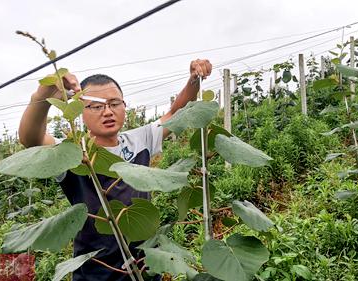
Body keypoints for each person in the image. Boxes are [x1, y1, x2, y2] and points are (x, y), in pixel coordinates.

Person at [18, 59, 212, 281]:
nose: (107, 112)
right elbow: (30, 139)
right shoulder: (71, 152)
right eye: (97, 106)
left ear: (124, 106)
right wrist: (42, 97)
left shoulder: (140, 139)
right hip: (95, 272)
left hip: (145, 268)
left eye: (114, 103)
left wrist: (194, 80)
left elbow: (177, 113)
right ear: (81, 111)